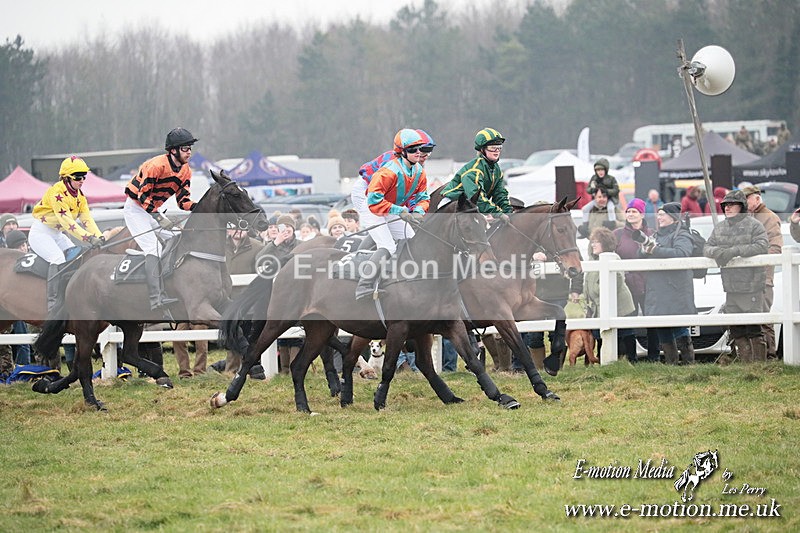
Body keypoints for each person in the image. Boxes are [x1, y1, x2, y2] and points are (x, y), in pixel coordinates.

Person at [124, 127, 198, 315]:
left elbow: (183, 202)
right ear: (173, 150)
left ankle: (170, 283)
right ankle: (155, 298)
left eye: (190, 148)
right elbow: (143, 196)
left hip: (153, 210)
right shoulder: (155, 166)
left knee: (175, 238)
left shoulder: (186, 171)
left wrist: (199, 207)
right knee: (153, 248)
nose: (189, 152)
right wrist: (158, 217)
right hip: (136, 209)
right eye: (185, 148)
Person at [355, 129, 430, 300]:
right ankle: (364, 286)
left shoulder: (419, 171)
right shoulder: (388, 171)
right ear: (402, 152)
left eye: (420, 148)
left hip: (388, 206)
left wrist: (418, 212)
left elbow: (423, 197)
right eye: (413, 150)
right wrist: (400, 211)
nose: (418, 153)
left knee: (411, 240)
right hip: (370, 204)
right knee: (388, 246)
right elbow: (373, 201)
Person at [28, 156, 105, 310]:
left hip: (57, 234)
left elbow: (87, 219)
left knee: (76, 257)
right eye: (78, 177)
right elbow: (67, 222)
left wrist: (99, 236)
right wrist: (89, 238)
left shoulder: (80, 196)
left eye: (84, 176)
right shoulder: (56, 192)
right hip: (41, 233)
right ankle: (52, 302)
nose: (82, 180)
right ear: (66, 178)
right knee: (57, 258)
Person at [704, 189, 769, 362]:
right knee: (737, 329)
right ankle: (745, 366)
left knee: (754, 328)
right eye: (725, 205)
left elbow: (762, 245)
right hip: (731, 286)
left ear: (742, 206)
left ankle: (759, 366)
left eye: (731, 204)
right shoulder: (720, 227)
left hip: (752, 285)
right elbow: (707, 248)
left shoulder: (755, 225)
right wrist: (719, 252)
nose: (727, 208)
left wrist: (735, 251)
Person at [639, 202, 696, 364]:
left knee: (679, 327)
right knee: (662, 327)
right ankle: (671, 365)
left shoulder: (683, 234)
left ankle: (688, 364)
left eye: (662, 214)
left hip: (675, 291)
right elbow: (640, 253)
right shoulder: (656, 235)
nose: (659, 217)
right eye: (658, 214)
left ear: (673, 217)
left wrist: (655, 250)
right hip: (657, 291)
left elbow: (682, 253)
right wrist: (644, 249)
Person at [613, 198, 660, 362]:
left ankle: (654, 357)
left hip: (649, 284)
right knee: (628, 324)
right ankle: (631, 358)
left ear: (641, 214)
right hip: (627, 286)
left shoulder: (652, 233)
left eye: (634, 211)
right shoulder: (617, 234)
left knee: (652, 322)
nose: (630, 214)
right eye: (628, 211)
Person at [584, 227, 638, 362]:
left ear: (605, 243)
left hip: (620, 308)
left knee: (625, 339)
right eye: (592, 242)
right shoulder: (592, 261)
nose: (593, 245)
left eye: (597, 242)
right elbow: (588, 283)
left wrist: (595, 291)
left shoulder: (614, 259)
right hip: (598, 308)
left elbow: (615, 283)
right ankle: (605, 364)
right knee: (602, 338)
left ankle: (631, 364)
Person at [742, 185, 783, 358]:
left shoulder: (769, 218)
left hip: (763, 277)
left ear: (757, 198)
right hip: (750, 277)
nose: (744, 203)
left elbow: (775, 247)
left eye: (746, 199)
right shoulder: (750, 217)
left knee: (764, 318)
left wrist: (754, 259)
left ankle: (770, 356)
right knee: (753, 318)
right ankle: (757, 357)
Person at [441, 127, 511, 219]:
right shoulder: (474, 170)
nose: (497, 151)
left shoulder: (497, 170)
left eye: (499, 148)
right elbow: (477, 198)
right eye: (493, 148)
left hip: (471, 206)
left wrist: (509, 212)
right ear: (482, 149)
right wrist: (498, 214)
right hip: (452, 203)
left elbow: (500, 194)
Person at [4, 230, 33, 365]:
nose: (23, 248)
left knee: (24, 340)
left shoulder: (34, 262)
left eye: (24, 245)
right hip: (11, 305)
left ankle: (24, 367)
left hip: (26, 306)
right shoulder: (8, 267)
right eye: (18, 246)